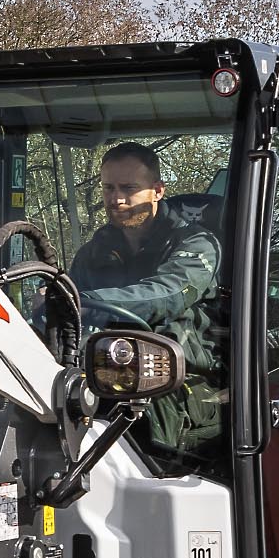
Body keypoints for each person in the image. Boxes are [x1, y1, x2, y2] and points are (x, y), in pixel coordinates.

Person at [69, 141, 226, 458]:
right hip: (105, 375)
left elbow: (166, 294)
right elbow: (70, 316)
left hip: (181, 383)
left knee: (141, 432)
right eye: (108, 188)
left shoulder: (197, 244)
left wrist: (81, 300)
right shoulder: (93, 252)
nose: (117, 199)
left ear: (157, 190)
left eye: (129, 188)